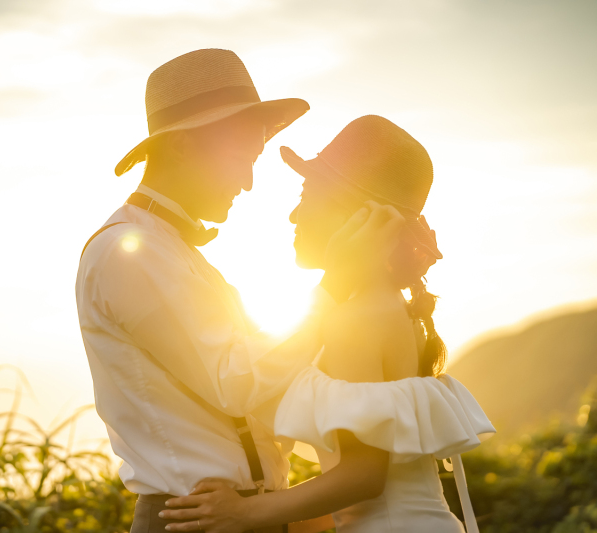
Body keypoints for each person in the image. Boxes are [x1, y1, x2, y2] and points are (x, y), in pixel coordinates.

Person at [76, 50, 466, 533]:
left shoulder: (188, 262)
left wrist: (264, 512)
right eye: (241, 159)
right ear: (180, 147)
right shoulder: (128, 251)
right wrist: (335, 283)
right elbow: (236, 384)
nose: (248, 182)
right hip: (194, 518)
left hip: (239, 516)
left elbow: (352, 462)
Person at [158, 116, 495, 533]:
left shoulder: (357, 317)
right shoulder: (385, 304)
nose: (293, 215)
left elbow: (364, 477)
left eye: (306, 195)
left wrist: (242, 513)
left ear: (351, 212)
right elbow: (375, 493)